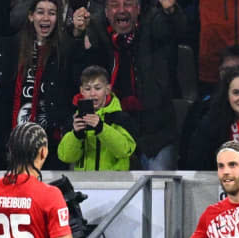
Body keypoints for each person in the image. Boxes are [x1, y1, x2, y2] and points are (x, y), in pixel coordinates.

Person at [73, 0, 187, 170]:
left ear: (139, 9)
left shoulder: (154, 25)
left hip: (155, 132)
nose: (121, 10)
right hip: (110, 130)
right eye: (114, 5)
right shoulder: (97, 31)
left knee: (160, 190)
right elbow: (79, 72)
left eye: (128, 4)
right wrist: (77, 34)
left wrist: (171, 10)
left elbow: (180, 31)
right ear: (105, 11)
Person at [0, 0, 74, 170]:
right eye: (40, 12)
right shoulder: (11, 46)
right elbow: (2, 86)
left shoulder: (66, 49)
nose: (45, 17)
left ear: (58, 19)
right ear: (31, 16)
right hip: (14, 138)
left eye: (52, 13)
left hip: (50, 141)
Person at [57, 65, 137, 170]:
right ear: (81, 91)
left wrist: (101, 128)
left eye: (98, 88)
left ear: (108, 89)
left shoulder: (121, 118)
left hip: (115, 184)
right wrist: (76, 135)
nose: (92, 93)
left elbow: (125, 150)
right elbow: (66, 157)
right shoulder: (74, 120)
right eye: (87, 89)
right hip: (82, 183)